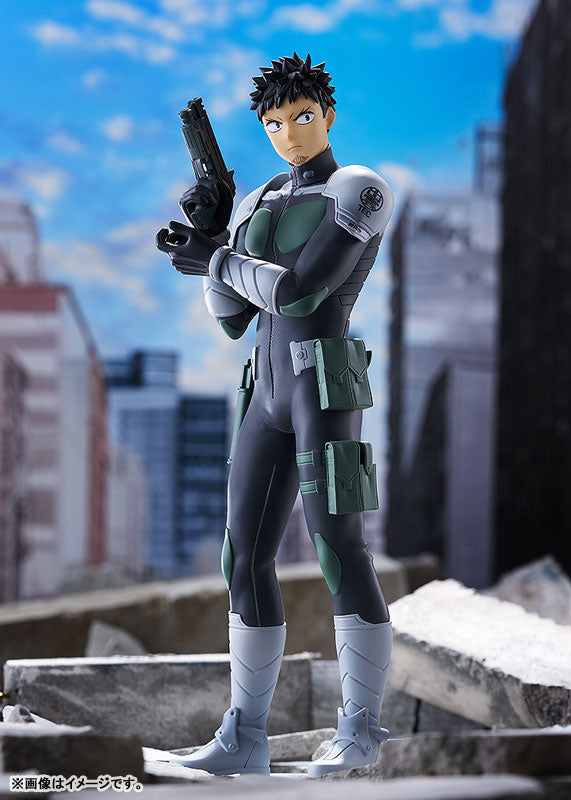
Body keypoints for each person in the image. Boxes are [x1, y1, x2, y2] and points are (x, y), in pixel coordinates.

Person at [156, 52, 394, 778]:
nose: (289, 134)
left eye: (302, 117)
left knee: (337, 547)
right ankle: (244, 736)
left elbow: (301, 292)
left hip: (323, 383)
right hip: (264, 389)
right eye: (273, 123)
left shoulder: (359, 189)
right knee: (243, 557)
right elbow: (232, 317)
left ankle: (360, 732)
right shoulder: (259, 198)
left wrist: (217, 257)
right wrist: (215, 237)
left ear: (328, 115)